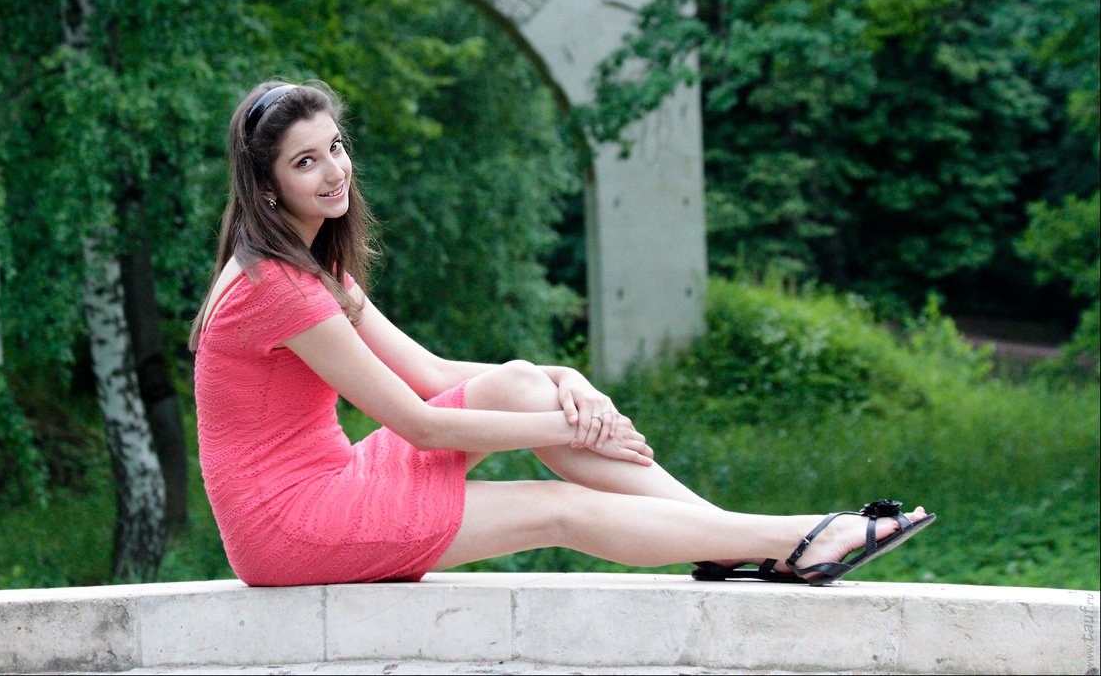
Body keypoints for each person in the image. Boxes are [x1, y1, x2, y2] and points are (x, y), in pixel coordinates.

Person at [189, 80, 934, 588]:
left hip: (333, 478)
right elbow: (420, 424)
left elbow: (430, 371)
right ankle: (792, 539)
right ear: (266, 186)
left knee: (519, 378)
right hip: (290, 526)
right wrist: (571, 426)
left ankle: (727, 539)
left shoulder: (304, 266)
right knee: (556, 507)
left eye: (335, 146)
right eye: (306, 162)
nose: (334, 172)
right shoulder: (275, 287)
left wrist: (563, 382)